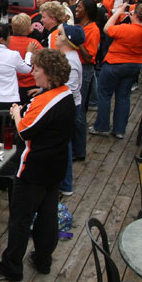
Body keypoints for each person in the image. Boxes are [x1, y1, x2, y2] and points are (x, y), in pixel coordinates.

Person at [0, 48, 75, 282]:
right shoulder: (65, 93)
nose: (32, 72)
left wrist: (16, 113)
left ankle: (11, 266)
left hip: (34, 168)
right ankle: (43, 259)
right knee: (47, 215)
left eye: (37, 69)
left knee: (20, 219)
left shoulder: (45, 100)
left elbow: (24, 131)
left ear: (49, 73)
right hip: (56, 166)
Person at [90, 3, 142, 139]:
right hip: (134, 65)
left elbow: (107, 29)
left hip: (115, 64)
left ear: (135, 15)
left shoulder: (126, 29)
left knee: (105, 95)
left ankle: (102, 126)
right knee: (123, 97)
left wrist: (118, 13)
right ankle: (119, 130)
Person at [54, 24, 85, 197]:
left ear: (67, 40)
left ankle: (66, 185)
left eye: (59, 34)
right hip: (67, 105)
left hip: (67, 108)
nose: (56, 36)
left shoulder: (70, 61)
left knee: (64, 145)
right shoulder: (67, 56)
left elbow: (69, 90)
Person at [74, 0, 100, 161]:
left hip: (84, 70)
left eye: (79, 7)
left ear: (87, 11)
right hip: (76, 69)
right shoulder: (81, 27)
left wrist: (78, 42)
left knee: (80, 110)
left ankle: (79, 150)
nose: (76, 9)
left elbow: (89, 57)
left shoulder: (93, 30)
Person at [7, 14, 43, 104]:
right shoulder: (34, 44)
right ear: (28, 29)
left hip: (11, 84)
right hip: (31, 85)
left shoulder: (7, 43)